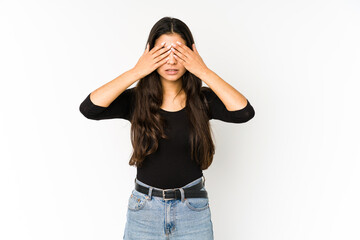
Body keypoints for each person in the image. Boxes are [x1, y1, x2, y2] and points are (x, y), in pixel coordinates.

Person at [79, 16, 255, 240]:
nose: (171, 61)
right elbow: (89, 108)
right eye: (162, 52)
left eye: (179, 53)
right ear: (150, 54)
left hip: (193, 211)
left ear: (191, 54)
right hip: (144, 211)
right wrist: (136, 71)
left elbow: (244, 112)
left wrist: (203, 71)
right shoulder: (137, 100)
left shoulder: (202, 100)